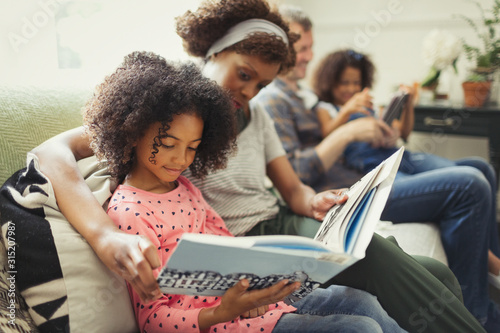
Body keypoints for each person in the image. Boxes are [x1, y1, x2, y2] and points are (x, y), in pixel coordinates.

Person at [29, 0, 485, 332]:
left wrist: (317, 201)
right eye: (243, 74)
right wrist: (104, 235)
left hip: (281, 221)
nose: (248, 91)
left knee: (433, 272)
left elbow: (293, 192)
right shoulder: (166, 113)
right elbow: (50, 155)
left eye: (261, 83)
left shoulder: (257, 114)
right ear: (212, 54)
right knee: (380, 253)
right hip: (244, 243)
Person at [85, 50, 405, 332]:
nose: (182, 159)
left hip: (252, 306)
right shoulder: (129, 213)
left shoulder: (184, 188)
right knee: (358, 328)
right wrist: (221, 312)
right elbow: (152, 320)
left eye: (193, 147)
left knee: (362, 302)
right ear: (132, 131)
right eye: (169, 145)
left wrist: (262, 277)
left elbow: (227, 246)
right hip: (221, 322)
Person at [251, 5, 499, 330]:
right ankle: (481, 311)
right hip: (343, 184)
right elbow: (297, 173)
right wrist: (348, 131)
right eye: (301, 48)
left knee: (480, 168)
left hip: (350, 176)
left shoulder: (302, 95)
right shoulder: (271, 100)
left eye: (311, 47)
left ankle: (484, 277)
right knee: (469, 184)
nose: (308, 57)